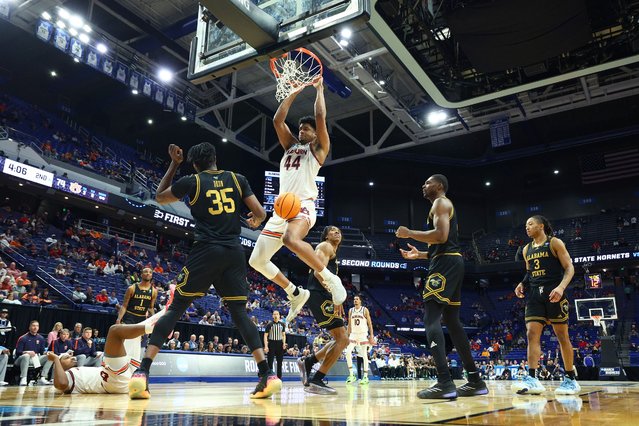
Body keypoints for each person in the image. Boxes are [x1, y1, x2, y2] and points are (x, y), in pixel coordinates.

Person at [129, 142, 281, 400]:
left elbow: (160, 196)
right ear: (215, 159)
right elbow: (260, 212)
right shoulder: (237, 178)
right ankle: (267, 374)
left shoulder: (193, 181)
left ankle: (142, 372)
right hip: (234, 253)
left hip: (206, 251)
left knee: (175, 308)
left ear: (196, 164)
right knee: (239, 314)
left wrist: (174, 165)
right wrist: (255, 220)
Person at [248, 78, 346, 323]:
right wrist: (293, 91)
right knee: (256, 260)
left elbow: (321, 118)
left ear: (315, 134)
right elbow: (277, 120)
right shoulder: (290, 145)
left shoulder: (318, 149)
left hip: (302, 205)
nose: (302, 131)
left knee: (290, 239)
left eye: (307, 129)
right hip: (282, 209)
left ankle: (330, 279)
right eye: (301, 128)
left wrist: (320, 89)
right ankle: (294, 292)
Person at [396, 174, 487, 399]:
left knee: (431, 318)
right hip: (449, 260)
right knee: (453, 323)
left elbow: (440, 235)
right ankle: (475, 381)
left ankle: (445, 382)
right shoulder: (440, 206)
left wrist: (409, 234)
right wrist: (420, 256)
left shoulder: (441, 202)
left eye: (427, 182)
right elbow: (445, 244)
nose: (423, 185)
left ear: (439, 186)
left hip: (445, 263)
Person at [47, 295, 172, 394]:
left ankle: (167, 312)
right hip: (113, 381)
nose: (72, 357)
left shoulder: (73, 371)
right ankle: (160, 326)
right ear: (60, 367)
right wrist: (56, 360)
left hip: (122, 379)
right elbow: (60, 385)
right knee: (114, 331)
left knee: (134, 334)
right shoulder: (67, 377)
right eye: (67, 358)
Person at [512, 215, 580, 395]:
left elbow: (569, 267)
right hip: (535, 295)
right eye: (526, 225)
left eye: (530, 224)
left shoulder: (554, 243)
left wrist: (561, 287)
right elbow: (529, 273)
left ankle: (570, 378)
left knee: (562, 335)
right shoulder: (526, 249)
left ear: (541, 226)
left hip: (554, 292)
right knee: (531, 333)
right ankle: (532, 378)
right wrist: (522, 284)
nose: (527, 227)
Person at [296, 226, 349, 394]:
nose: (337, 232)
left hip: (322, 294)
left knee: (340, 339)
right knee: (343, 339)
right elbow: (319, 272)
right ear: (326, 236)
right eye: (332, 230)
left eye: (339, 231)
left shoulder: (332, 251)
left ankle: (309, 362)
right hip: (320, 294)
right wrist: (335, 295)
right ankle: (316, 379)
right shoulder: (325, 246)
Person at [116, 267, 157, 360]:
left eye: (150, 272)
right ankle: (120, 361)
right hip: (129, 317)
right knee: (126, 342)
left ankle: (134, 365)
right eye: (145, 271)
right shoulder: (132, 288)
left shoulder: (154, 291)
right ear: (141, 274)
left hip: (142, 319)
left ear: (151, 276)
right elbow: (124, 306)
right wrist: (118, 319)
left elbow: (150, 307)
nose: (148, 273)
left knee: (139, 344)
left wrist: (155, 318)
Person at [344, 295, 375, 385]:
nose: (355, 300)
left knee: (364, 355)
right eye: (354, 299)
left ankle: (365, 377)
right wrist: (347, 335)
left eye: (357, 299)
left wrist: (371, 336)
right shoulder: (351, 310)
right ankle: (351, 375)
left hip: (362, 335)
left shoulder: (364, 310)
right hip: (353, 335)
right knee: (347, 352)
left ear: (360, 301)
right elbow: (349, 324)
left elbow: (370, 324)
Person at [14, 320, 54, 385]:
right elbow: (18, 352)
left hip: (35, 359)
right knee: (26, 356)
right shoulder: (23, 338)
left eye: (37, 326)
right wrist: (27, 352)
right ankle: (23, 378)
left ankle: (42, 377)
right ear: (29, 327)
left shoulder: (41, 338)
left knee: (51, 356)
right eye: (33, 326)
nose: (35, 327)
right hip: (21, 359)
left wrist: (47, 353)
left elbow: (42, 351)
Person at [264, 310, 286, 379]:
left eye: (277, 314)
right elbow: (265, 336)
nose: (276, 315)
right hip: (271, 343)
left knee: (280, 362)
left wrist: (284, 343)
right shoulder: (269, 324)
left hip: (280, 344)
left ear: (279, 315)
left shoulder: (282, 324)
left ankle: (279, 378)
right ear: (272, 316)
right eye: (274, 314)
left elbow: (283, 335)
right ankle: (270, 377)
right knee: (270, 361)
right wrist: (266, 346)